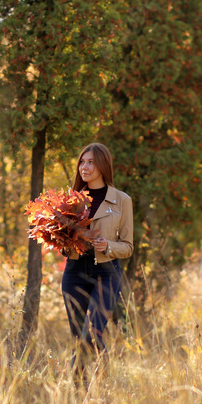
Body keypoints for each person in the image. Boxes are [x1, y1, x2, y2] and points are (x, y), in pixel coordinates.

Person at [60, 142, 133, 373]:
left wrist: (108, 245)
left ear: (103, 165)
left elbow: (128, 246)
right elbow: (63, 242)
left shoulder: (122, 200)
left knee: (92, 332)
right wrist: (60, 240)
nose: (85, 167)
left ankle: (102, 378)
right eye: (82, 161)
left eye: (91, 162)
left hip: (106, 272)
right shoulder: (71, 200)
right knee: (78, 339)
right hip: (74, 273)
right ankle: (79, 392)